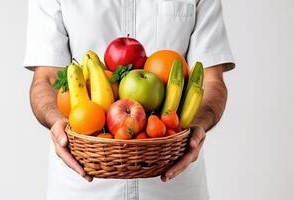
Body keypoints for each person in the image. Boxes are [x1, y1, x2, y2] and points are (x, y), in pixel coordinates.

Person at [24, 0, 235, 199]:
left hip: (174, 186)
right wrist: (56, 121)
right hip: (82, 187)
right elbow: (47, 78)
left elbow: (211, 80)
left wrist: (197, 125)